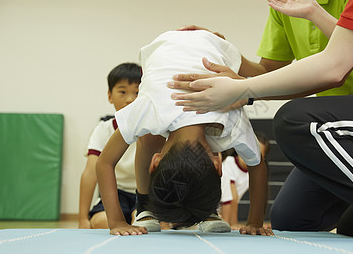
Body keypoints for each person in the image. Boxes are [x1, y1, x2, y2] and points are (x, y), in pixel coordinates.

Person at [171, 0, 353, 249]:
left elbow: (335, 69)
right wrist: (225, 52)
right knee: (299, 220)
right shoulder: (286, 5)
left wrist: (243, 90)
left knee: (295, 121)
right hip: (334, 129)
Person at [96, 30, 273, 236]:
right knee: (148, 135)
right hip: (179, 46)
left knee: (150, 133)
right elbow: (258, 163)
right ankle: (145, 207)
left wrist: (116, 222)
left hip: (191, 45)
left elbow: (104, 162)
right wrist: (255, 222)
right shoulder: (229, 120)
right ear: (218, 164)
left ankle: (206, 211)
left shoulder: (229, 118)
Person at [78, 63, 141, 229]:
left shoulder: (153, 129)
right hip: (115, 191)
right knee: (101, 222)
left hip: (144, 191)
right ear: (110, 95)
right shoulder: (103, 129)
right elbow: (90, 172)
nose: (130, 99)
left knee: (141, 220)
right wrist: (83, 219)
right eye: (122, 92)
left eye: (137, 93)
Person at [220, 132, 270, 229]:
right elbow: (231, 196)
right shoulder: (229, 162)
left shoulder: (253, 173)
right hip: (220, 208)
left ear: (262, 159)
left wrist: (258, 223)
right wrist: (232, 223)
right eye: (248, 152)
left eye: (256, 155)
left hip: (227, 211)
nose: (250, 157)